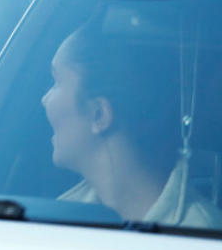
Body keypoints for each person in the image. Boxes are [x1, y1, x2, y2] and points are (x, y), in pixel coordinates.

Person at [41, 13, 222, 228]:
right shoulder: (55, 222)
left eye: (56, 82)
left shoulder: (201, 239)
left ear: (99, 114)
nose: (45, 100)